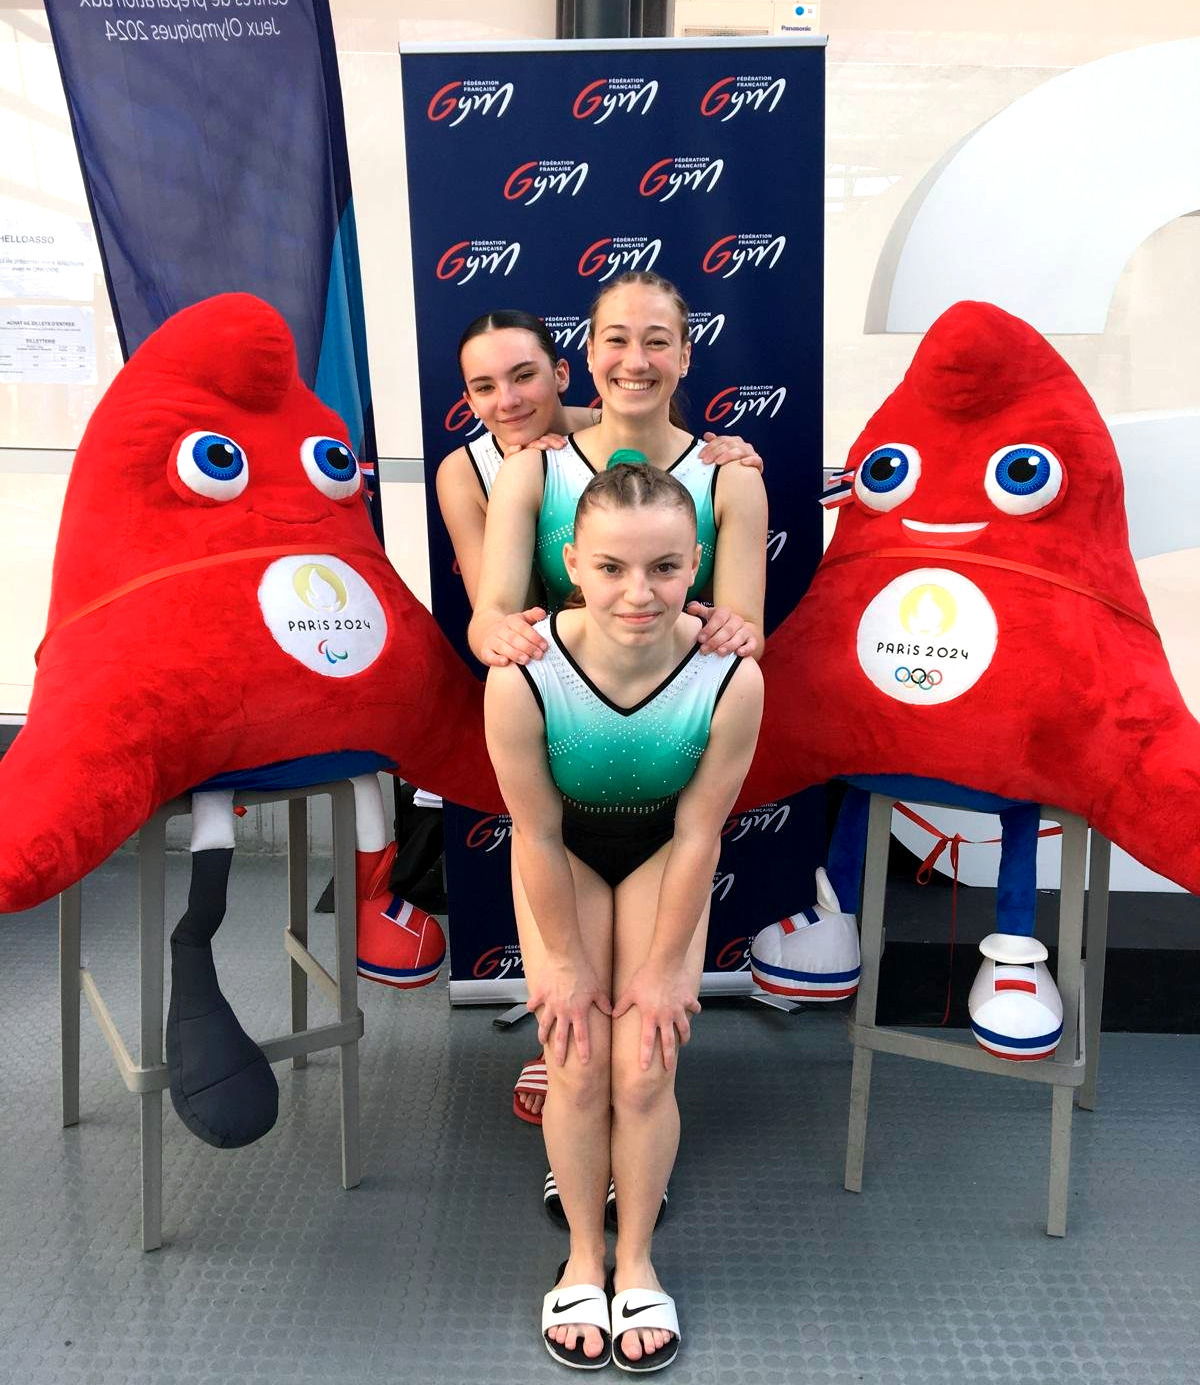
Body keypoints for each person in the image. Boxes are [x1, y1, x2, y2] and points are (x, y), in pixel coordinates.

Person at [435, 300, 764, 1124]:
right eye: (485, 386)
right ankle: (580, 1126)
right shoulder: (511, 471)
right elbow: (492, 613)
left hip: (660, 732)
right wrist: (515, 651)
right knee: (571, 998)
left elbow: (739, 622)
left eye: (522, 378)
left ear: (558, 376)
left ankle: (635, 1141)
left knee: (644, 1010)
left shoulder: (695, 460)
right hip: (559, 721)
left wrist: (727, 617)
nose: (509, 400)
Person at [484, 462, 763, 1370]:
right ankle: (582, 1254)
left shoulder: (730, 676)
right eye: (611, 568)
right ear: (571, 562)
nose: (638, 593)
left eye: (665, 568)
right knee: (574, 1052)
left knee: (644, 1061)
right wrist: (560, 964)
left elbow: (696, 834)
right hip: (564, 853)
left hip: (660, 853)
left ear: (697, 566)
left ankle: (636, 1259)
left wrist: (667, 966)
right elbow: (533, 829)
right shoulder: (524, 674)